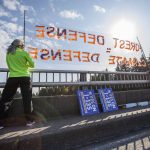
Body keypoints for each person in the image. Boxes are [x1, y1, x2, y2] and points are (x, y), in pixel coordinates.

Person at [0, 39, 35, 129]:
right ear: (21, 46)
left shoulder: (8, 54)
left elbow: (9, 66)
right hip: (25, 77)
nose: (24, 46)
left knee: (6, 99)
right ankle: (29, 121)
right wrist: (25, 64)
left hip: (12, 77)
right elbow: (32, 65)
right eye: (23, 45)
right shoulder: (24, 53)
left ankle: (1, 122)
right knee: (27, 99)